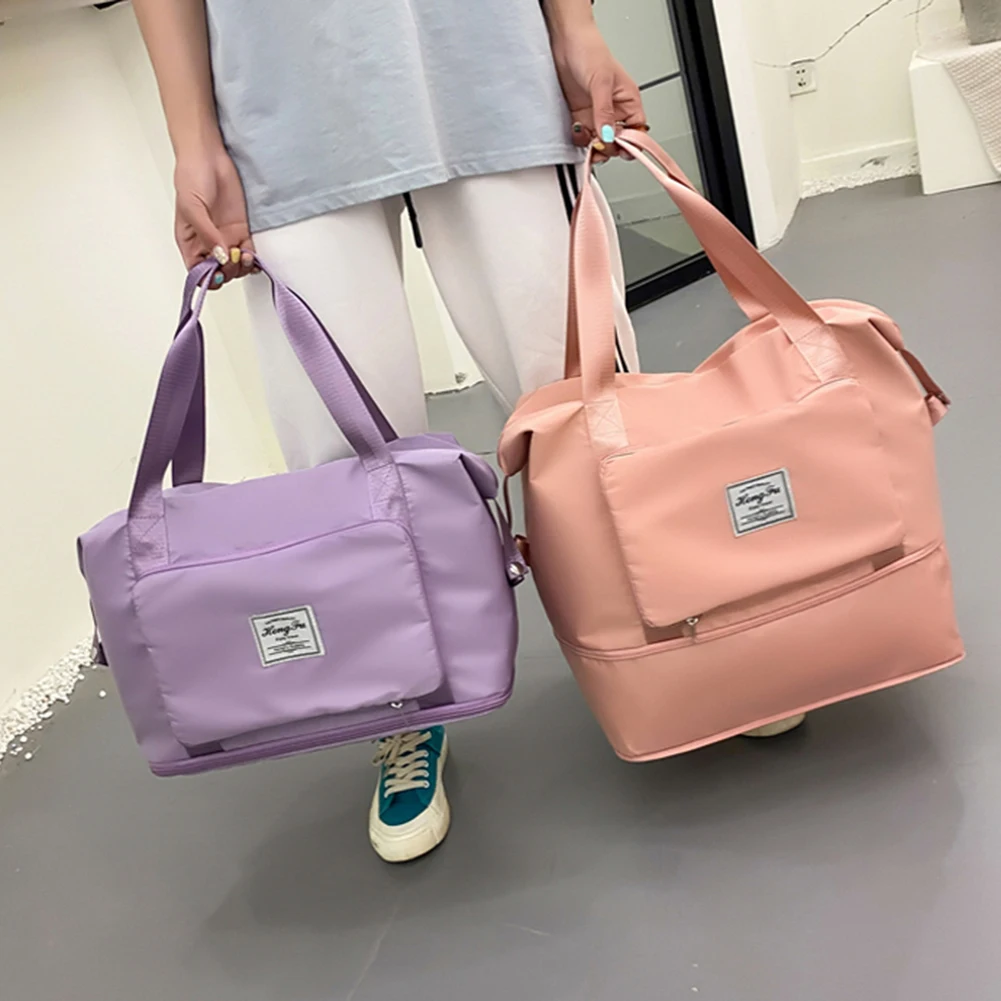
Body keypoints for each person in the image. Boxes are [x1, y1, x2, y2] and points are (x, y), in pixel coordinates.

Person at [134, 0, 802, 863]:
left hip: (484, 57)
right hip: (282, 100)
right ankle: (402, 702)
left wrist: (575, 29)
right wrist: (193, 139)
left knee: (583, 399)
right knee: (342, 463)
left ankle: (677, 626)